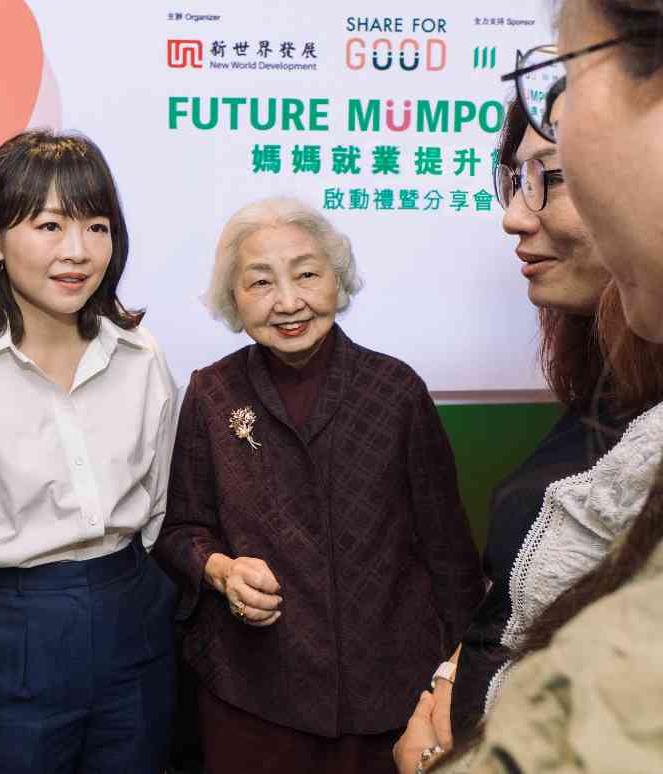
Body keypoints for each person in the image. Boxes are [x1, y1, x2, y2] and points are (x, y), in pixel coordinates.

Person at [395, 3, 663, 770]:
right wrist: (455, 682)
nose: (515, 216)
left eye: (554, 175)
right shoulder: (607, 383)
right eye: (515, 178)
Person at [153, 197, 484, 774]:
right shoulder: (212, 392)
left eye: (306, 274)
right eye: (261, 282)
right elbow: (181, 529)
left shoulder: (395, 390)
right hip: (253, 692)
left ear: (337, 278)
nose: (288, 302)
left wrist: (459, 679)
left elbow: (449, 553)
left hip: (390, 694)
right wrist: (221, 570)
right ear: (234, 298)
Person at [0, 130, 179, 774]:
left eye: (96, 227)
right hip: (5, 632)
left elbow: (157, 506)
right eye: (49, 226)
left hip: (131, 615)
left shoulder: (143, 358)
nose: (77, 251)